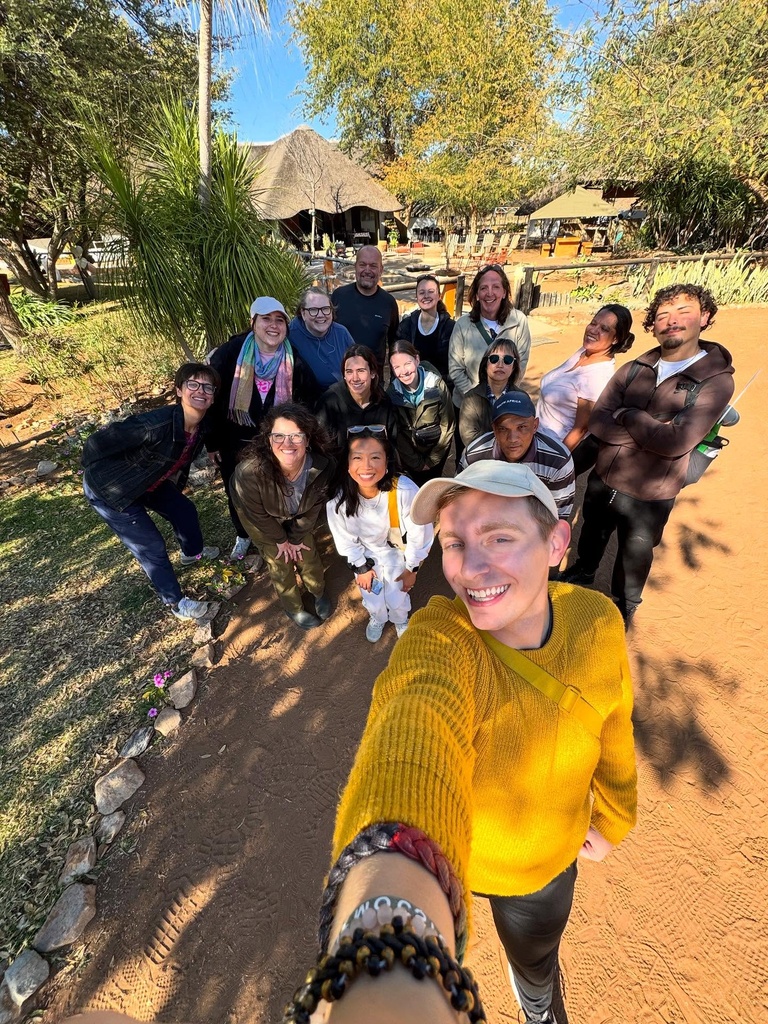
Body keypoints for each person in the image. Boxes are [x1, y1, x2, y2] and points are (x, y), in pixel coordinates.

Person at [292, 460, 636, 1024]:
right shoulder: (441, 636)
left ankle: (537, 1001)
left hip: (539, 866)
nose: (471, 568)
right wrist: (384, 941)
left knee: (534, 958)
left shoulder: (597, 620)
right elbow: (412, 724)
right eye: (454, 543)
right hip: (458, 856)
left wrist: (616, 816)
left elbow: (614, 725)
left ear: (556, 543)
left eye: (499, 537)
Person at [561, 283, 735, 628]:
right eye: (663, 314)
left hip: (651, 493)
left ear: (705, 317)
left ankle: (624, 604)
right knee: (592, 530)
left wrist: (627, 414)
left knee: (635, 550)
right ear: (652, 324)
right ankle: (583, 572)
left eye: (684, 311)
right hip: (605, 476)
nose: (672, 320)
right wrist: (651, 429)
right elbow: (598, 420)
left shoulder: (715, 381)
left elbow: (676, 442)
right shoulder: (635, 367)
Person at [81, 363, 221, 621]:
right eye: (193, 384)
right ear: (179, 390)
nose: (200, 391)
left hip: (149, 481)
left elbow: (194, 449)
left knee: (185, 511)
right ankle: (176, 603)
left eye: (208, 387)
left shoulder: (201, 426)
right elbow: (96, 442)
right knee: (151, 546)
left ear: (213, 396)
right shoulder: (153, 425)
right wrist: (94, 470)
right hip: (112, 489)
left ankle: (191, 554)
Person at [207, 297, 319, 561]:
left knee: (275, 489)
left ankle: (279, 535)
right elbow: (211, 397)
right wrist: (211, 441)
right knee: (237, 490)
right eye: (266, 319)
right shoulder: (231, 353)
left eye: (279, 320)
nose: (273, 325)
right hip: (235, 442)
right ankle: (243, 535)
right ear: (253, 322)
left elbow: (309, 401)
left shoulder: (294, 360)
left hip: (277, 445)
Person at [230, 404, 335, 630]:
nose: (287, 444)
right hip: (259, 516)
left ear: (307, 440)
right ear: (269, 439)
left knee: (306, 550)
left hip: (298, 512)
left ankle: (318, 591)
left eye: (296, 436)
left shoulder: (322, 466)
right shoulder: (249, 472)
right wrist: (281, 540)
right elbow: (256, 514)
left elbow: (313, 507)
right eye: (279, 436)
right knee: (279, 560)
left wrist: (295, 538)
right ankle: (293, 606)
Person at [326, 427, 433, 643]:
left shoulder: (404, 491)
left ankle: (400, 619)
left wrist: (412, 567)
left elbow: (419, 532)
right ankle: (377, 617)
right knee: (372, 597)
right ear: (347, 465)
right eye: (357, 458)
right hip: (365, 557)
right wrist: (361, 568)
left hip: (397, 554)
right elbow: (345, 540)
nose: (366, 466)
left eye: (375, 457)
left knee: (397, 597)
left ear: (387, 464)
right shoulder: (339, 502)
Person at [463, 391, 575, 519]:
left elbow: (557, 516)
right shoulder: (474, 456)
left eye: (522, 427)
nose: (512, 439)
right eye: (503, 429)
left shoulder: (558, 461)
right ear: (494, 429)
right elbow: (462, 502)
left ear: (535, 426)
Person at [536, 304, 635, 451]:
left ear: (616, 339)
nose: (594, 330)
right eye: (593, 323)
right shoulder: (584, 352)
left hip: (550, 449)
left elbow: (580, 429)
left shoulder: (597, 377)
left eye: (604, 329)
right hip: (536, 439)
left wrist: (555, 462)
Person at [449, 263, 532, 416]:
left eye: (496, 287)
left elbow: (521, 363)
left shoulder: (519, 321)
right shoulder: (463, 324)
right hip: (468, 406)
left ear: (505, 292)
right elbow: (456, 369)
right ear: (476, 295)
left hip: (504, 405)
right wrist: (476, 398)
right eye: (483, 288)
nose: (489, 293)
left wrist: (502, 396)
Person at [387, 340, 455, 486]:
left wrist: (432, 460)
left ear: (417, 360)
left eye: (407, 363)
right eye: (397, 367)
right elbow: (397, 433)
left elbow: (447, 425)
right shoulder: (392, 394)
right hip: (409, 459)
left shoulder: (437, 386)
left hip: (436, 453)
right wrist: (415, 462)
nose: (404, 371)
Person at [332, 246, 400, 378]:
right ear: (355, 266)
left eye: (373, 266)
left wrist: (394, 380)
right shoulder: (339, 297)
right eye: (362, 264)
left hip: (374, 382)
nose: (367, 270)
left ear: (381, 270)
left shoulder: (389, 303)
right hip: (341, 380)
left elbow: (394, 345)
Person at [316, 344, 398, 446]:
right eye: (349, 372)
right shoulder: (329, 403)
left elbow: (392, 445)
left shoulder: (383, 402)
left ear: (372, 373)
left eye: (360, 371)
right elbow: (322, 448)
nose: (355, 378)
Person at [459, 336, 523, 448]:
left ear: (513, 368)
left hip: (514, 463)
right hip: (480, 461)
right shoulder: (471, 398)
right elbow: (470, 438)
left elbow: (525, 435)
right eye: (494, 359)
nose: (500, 364)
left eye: (507, 360)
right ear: (485, 365)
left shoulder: (522, 399)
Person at [287, 285, 356, 390]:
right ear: (303, 313)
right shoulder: (290, 335)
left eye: (325, 309)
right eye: (313, 310)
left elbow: (358, 364)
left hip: (343, 396)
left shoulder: (341, 333)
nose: (320, 315)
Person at [396, 273, 455, 384]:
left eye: (431, 292)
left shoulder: (451, 328)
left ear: (439, 296)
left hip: (443, 389)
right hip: (411, 387)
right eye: (422, 293)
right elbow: (397, 359)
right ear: (416, 297)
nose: (426, 296)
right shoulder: (406, 326)